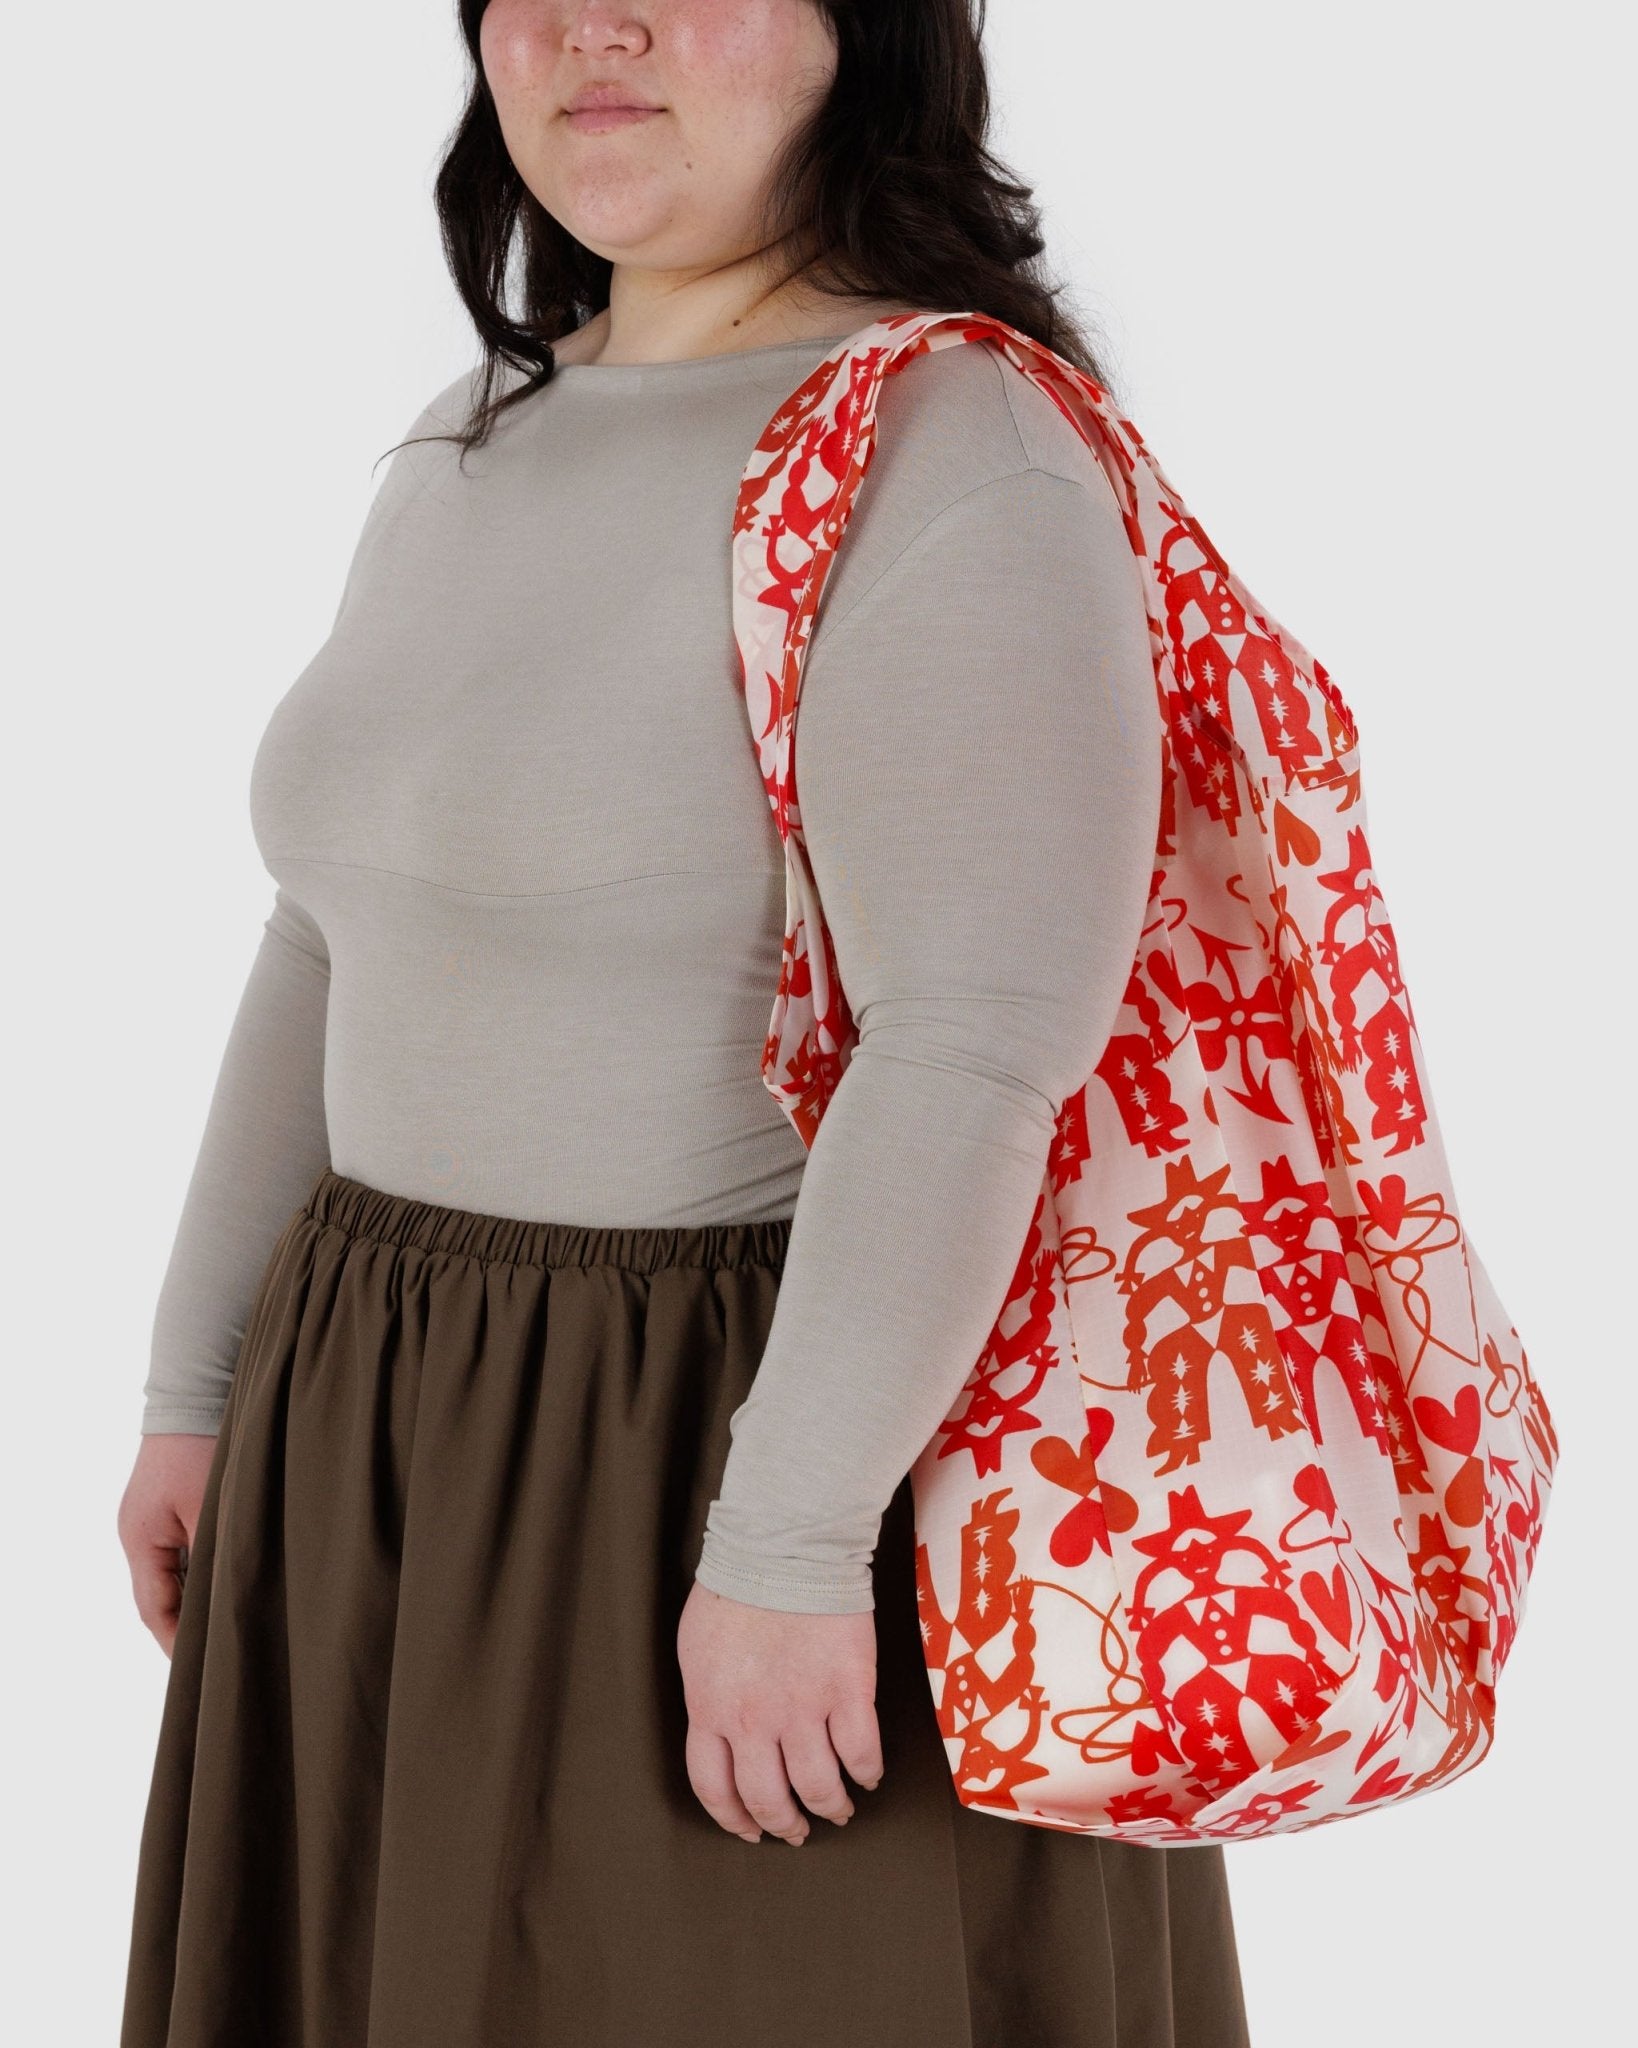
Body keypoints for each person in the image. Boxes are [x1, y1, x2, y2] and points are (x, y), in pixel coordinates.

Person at [116, 4, 1254, 2043]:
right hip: (381, 1433)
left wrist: (795, 1539)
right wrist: (197, 1387)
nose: (597, 26)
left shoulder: (951, 448)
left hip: (719, 1445)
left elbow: (975, 1046)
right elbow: (326, 924)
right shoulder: (484, 433)